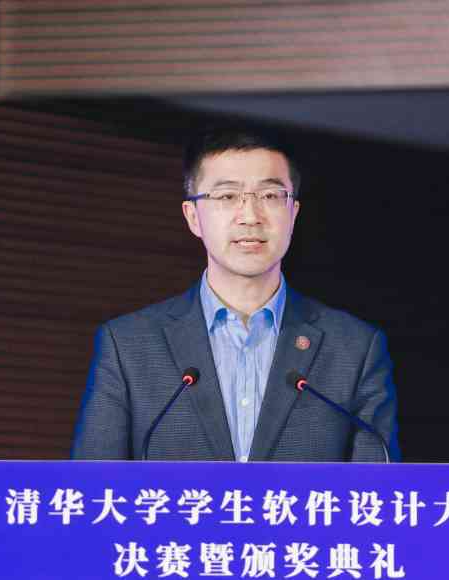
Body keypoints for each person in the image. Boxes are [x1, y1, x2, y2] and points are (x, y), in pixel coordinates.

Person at [71, 128, 400, 462]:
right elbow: (91, 484)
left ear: (293, 214)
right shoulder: (128, 346)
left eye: (270, 196)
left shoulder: (355, 349)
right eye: (227, 196)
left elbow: (377, 489)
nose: (250, 216)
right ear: (193, 217)